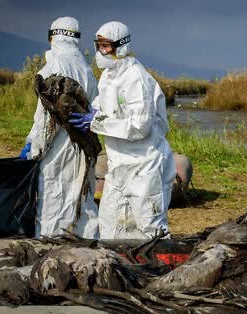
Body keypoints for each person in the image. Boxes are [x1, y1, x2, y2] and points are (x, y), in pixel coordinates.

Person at [70, 21, 176, 240]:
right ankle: (121, 270)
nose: (101, 51)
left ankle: (159, 271)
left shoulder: (137, 78)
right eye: (99, 44)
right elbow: (100, 106)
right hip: (119, 164)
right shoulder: (109, 76)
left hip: (144, 166)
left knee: (149, 227)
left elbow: (140, 126)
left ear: (122, 46)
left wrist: (96, 122)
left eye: (106, 45)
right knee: (110, 224)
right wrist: (85, 111)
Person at [23, 17, 99, 239]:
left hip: (58, 150)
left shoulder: (52, 68)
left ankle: (51, 260)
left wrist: (34, 148)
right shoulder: (86, 68)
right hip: (84, 145)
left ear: (52, 37)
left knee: (53, 206)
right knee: (82, 204)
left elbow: (47, 120)